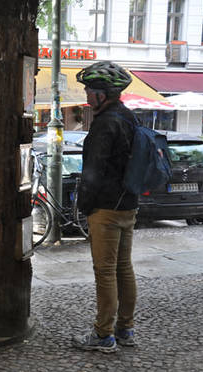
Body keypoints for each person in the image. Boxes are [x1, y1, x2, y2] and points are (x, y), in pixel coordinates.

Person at [72, 61, 139, 353]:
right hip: (128, 205)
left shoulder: (104, 123)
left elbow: (94, 171)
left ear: (103, 94)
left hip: (106, 208)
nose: (86, 94)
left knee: (106, 271)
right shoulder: (129, 118)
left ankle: (103, 334)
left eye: (90, 89)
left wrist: (84, 207)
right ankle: (125, 329)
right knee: (124, 268)